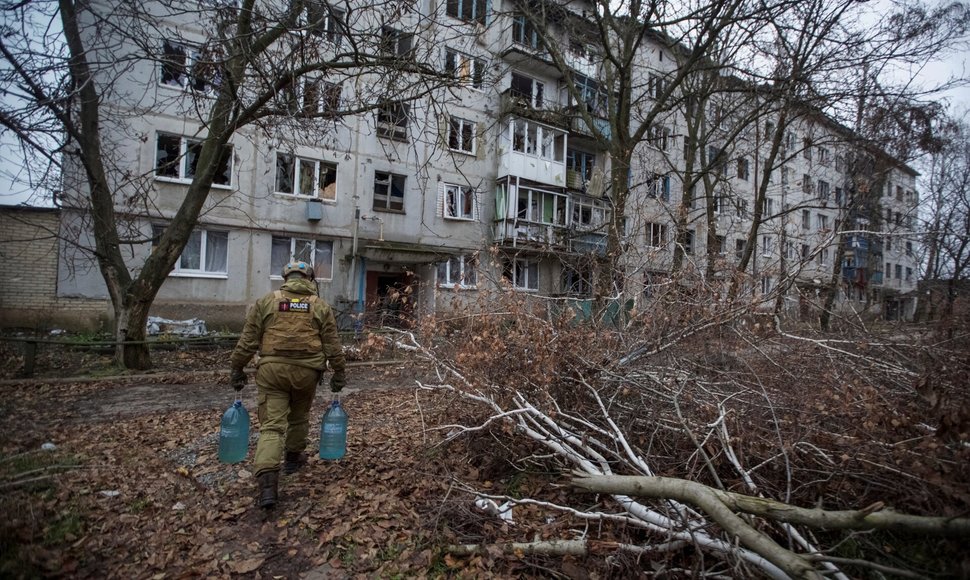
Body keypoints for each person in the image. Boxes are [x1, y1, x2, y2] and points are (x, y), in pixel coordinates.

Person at [229, 260, 347, 509]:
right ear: (309, 279)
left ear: (285, 278)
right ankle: (293, 460)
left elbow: (248, 341)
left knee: (272, 427)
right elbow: (332, 345)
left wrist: (237, 367)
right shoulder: (320, 306)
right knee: (299, 417)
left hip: (272, 372)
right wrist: (339, 372)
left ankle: (268, 487)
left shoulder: (266, 302)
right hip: (306, 373)